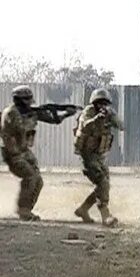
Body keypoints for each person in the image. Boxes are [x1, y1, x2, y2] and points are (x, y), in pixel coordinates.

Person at [0, 86, 78, 220]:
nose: (30, 103)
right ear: (19, 100)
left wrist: (65, 113)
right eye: (27, 100)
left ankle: (27, 209)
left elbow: (54, 120)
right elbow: (20, 128)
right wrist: (34, 116)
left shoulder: (28, 112)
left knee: (38, 181)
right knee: (30, 177)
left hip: (24, 151)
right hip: (12, 153)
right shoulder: (11, 113)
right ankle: (23, 210)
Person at [73, 88, 124, 226]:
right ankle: (105, 215)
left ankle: (83, 209)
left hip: (99, 156)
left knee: (103, 185)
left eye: (105, 103)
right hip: (88, 156)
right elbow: (85, 125)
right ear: (94, 103)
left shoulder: (108, 113)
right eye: (99, 103)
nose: (102, 106)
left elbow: (121, 126)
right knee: (102, 182)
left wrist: (111, 115)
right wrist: (97, 119)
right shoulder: (88, 112)